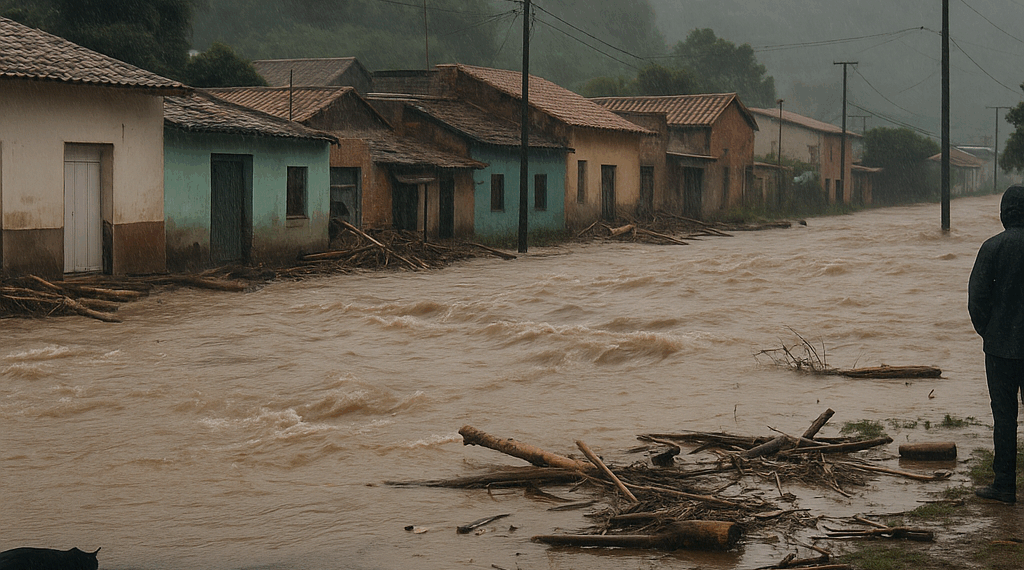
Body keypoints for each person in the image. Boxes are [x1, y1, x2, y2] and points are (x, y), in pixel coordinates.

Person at [968, 184, 1024, 504]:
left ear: (1004, 214)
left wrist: (989, 332)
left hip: (1001, 348)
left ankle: (1004, 484)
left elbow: (977, 299)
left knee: (1004, 417)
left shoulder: (992, 247)